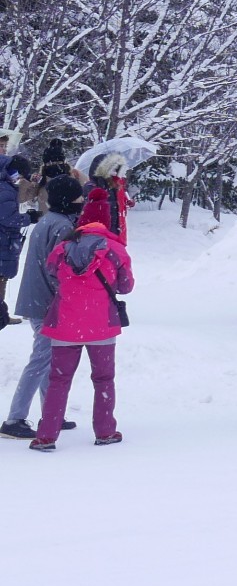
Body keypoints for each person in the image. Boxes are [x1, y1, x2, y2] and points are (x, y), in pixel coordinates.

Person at [30, 194, 134, 450]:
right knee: (103, 379)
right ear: (106, 223)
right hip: (101, 324)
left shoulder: (62, 249)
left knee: (59, 380)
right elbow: (126, 286)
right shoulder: (115, 250)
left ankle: (47, 435)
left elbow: (53, 273)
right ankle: (105, 430)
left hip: (64, 324)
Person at [0, 175, 83, 439]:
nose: (82, 200)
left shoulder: (51, 221)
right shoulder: (61, 226)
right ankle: (15, 419)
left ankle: (51, 412)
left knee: (48, 358)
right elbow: (57, 269)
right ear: (68, 200)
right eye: (78, 196)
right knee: (42, 358)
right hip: (46, 302)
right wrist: (65, 297)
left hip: (39, 298)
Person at [0, 154, 30, 316]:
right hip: (3, 240)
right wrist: (28, 218)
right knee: (1, 277)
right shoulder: (5, 188)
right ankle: (1, 315)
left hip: (4, 240)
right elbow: (7, 217)